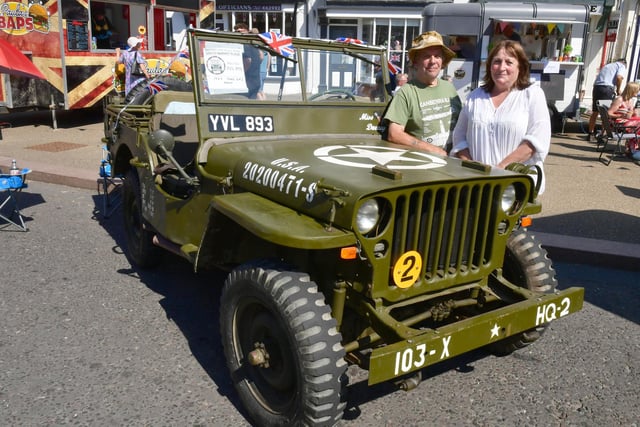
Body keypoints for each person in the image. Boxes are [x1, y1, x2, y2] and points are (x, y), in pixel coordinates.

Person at [451, 39, 551, 193]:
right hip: (476, 183)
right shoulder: (475, 96)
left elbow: (535, 142)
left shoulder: (532, 94)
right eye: (496, 61)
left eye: (509, 62)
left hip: (514, 184)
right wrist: (474, 167)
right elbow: (459, 136)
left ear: (521, 67)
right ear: (490, 66)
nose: (501, 67)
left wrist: (499, 170)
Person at [383, 31, 462, 156]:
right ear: (416, 61)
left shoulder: (449, 88)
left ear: (442, 61)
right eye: (426, 56)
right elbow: (394, 134)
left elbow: (461, 125)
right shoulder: (406, 92)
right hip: (422, 168)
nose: (432, 61)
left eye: (437, 56)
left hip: (452, 165)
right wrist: (431, 149)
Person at [587, 58, 627, 140]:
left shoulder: (608, 65)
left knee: (595, 111)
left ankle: (590, 134)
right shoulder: (621, 66)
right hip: (607, 89)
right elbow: (619, 77)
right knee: (606, 114)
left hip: (597, 87)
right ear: (624, 64)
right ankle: (603, 135)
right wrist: (618, 89)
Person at [234, 23, 264, 99]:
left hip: (247, 82)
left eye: (241, 31)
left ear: (247, 31)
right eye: (237, 32)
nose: (239, 34)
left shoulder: (245, 44)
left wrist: (239, 75)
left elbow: (247, 60)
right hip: (255, 81)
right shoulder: (254, 44)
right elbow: (261, 56)